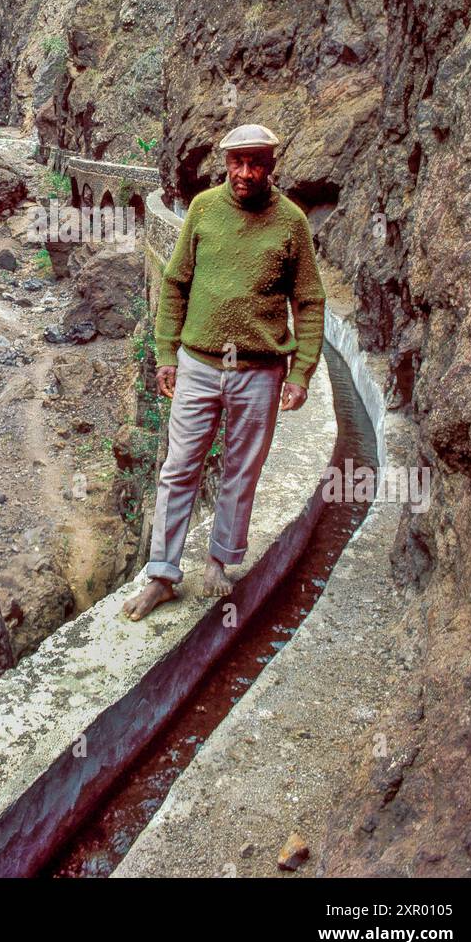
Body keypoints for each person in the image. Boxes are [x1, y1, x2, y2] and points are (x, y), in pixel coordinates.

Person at [123, 123, 326, 622]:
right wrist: (165, 353)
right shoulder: (203, 209)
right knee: (178, 468)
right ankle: (162, 576)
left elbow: (310, 300)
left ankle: (220, 562)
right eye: (237, 162)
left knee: (241, 470)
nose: (246, 172)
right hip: (198, 363)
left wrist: (301, 371)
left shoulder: (292, 222)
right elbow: (174, 284)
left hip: (259, 371)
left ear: (271, 165)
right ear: (225, 162)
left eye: (256, 162)